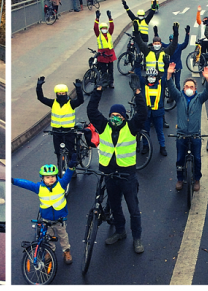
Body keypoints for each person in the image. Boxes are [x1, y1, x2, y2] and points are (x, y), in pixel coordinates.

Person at [87, 83, 147, 253]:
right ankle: (120, 231)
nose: (115, 118)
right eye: (112, 115)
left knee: (133, 209)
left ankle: (137, 238)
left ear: (124, 116)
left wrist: (137, 93)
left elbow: (143, 114)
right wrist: (97, 91)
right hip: (110, 175)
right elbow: (91, 111)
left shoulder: (131, 127)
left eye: (118, 115)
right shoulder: (103, 125)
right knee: (115, 206)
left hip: (127, 175)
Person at [12, 165, 76, 264]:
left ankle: (66, 251)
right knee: (48, 237)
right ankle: (49, 251)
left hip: (59, 219)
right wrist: (13, 181)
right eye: (47, 177)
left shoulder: (61, 184)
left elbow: (68, 175)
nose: (51, 179)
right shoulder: (39, 187)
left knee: (63, 236)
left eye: (53, 176)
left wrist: (71, 166)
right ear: (42, 178)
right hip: (46, 219)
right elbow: (26, 184)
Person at [166, 62, 208, 191]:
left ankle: (197, 179)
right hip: (181, 135)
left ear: (195, 89)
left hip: (195, 134)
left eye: (191, 86)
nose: (189, 88)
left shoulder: (199, 98)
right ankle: (180, 179)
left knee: (197, 158)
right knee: (180, 158)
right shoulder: (179, 97)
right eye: (187, 86)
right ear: (183, 88)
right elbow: (170, 86)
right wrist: (169, 74)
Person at [37, 77, 85, 169]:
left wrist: (78, 89)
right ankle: (60, 167)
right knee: (58, 152)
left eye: (63, 93)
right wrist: (39, 87)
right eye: (59, 93)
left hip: (69, 131)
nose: (61, 95)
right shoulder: (53, 103)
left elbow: (80, 100)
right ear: (56, 94)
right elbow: (41, 98)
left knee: (71, 151)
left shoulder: (71, 103)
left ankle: (72, 169)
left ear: (66, 93)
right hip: (57, 132)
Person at [132, 67, 168, 156]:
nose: (151, 78)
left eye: (153, 76)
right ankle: (145, 146)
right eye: (149, 76)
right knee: (145, 131)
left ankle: (162, 147)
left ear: (156, 77)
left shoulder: (160, 84)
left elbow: (166, 77)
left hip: (158, 113)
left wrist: (166, 65)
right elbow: (138, 75)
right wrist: (137, 64)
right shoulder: (144, 85)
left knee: (159, 131)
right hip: (146, 113)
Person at [161, 25, 191, 91]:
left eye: (173, 40)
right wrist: (156, 34)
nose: (172, 41)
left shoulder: (179, 47)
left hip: (177, 68)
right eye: (171, 40)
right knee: (169, 83)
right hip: (170, 68)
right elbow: (160, 43)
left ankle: (178, 96)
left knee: (177, 84)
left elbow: (185, 43)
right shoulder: (167, 47)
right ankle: (171, 97)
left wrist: (187, 34)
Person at [94, 10, 116, 88]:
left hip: (110, 53)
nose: (104, 29)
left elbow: (112, 26)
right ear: (101, 29)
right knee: (103, 70)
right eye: (103, 28)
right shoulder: (98, 34)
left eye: (105, 28)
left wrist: (110, 18)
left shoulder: (109, 33)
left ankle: (111, 82)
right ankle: (104, 81)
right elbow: (95, 27)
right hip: (102, 54)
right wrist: (97, 18)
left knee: (111, 70)